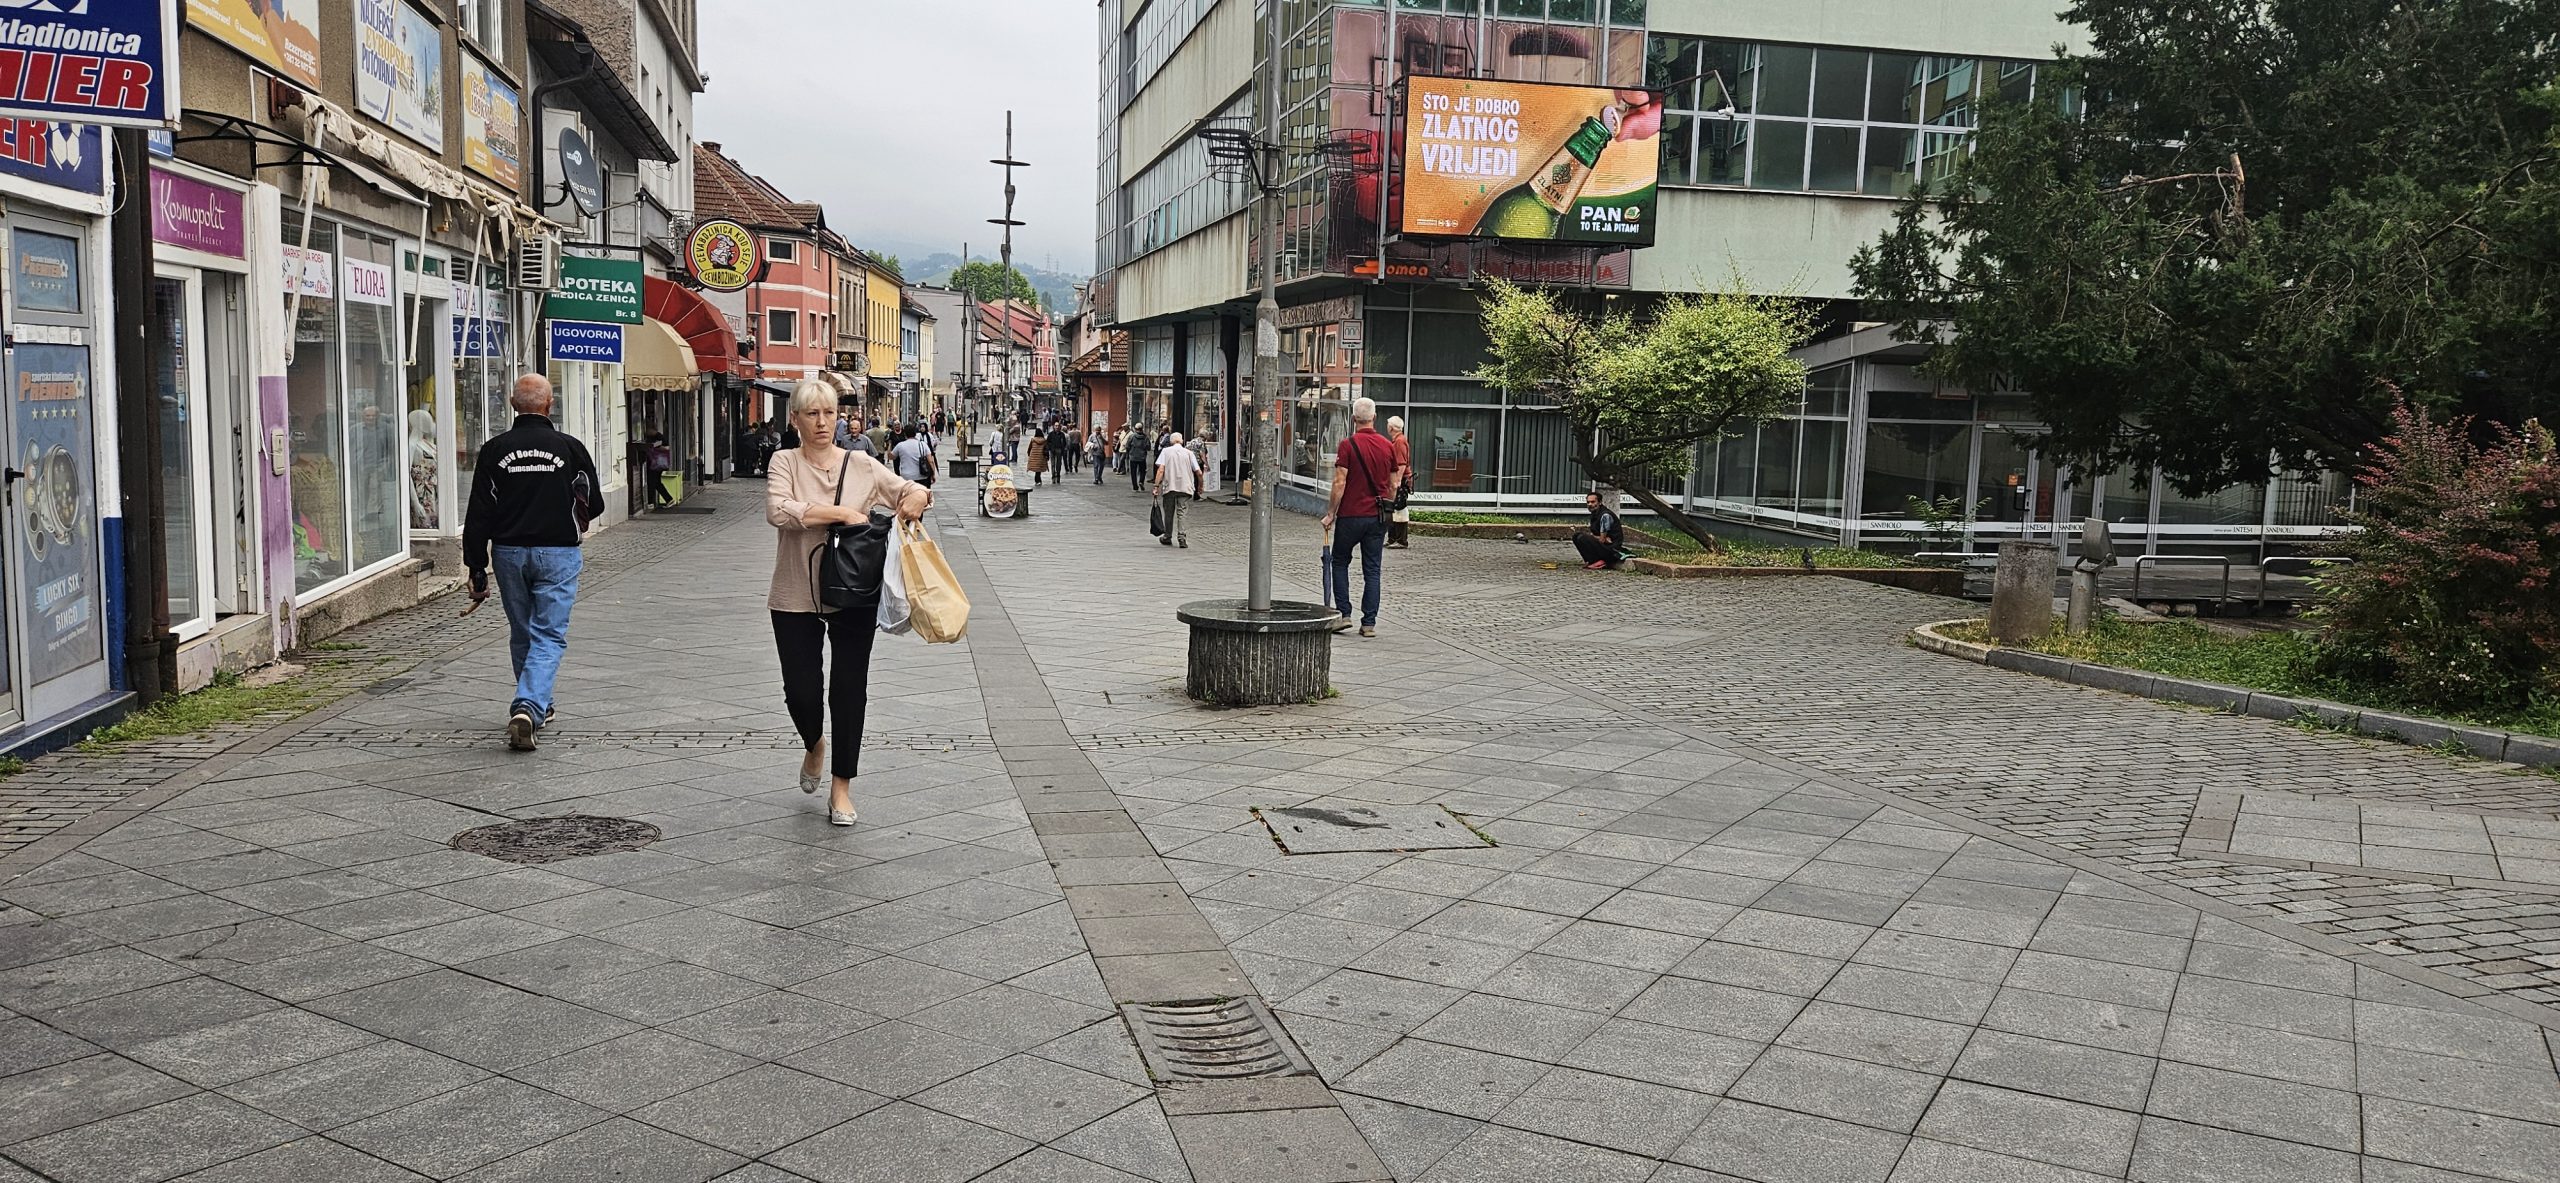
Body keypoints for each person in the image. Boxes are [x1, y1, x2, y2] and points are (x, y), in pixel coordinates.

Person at [766, 379, 931, 826]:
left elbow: (911, 490)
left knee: (848, 690)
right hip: (794, 592)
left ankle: (842, 786)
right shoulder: (784, 461)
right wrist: (841, 513)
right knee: (800, 692)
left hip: (854, 592)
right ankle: (815, 743)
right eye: (812, 414)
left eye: (829, 413)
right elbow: (778, 510)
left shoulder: (861, 464)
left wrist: (916, 499)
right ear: (796, 420)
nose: (822, 423)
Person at [465, 374, 605, 751]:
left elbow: (478, 513)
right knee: (549, 634)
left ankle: (539, 704)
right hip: (558, 552)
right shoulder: (569, 447)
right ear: (549, 405)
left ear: (513, 404)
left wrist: (477, 568)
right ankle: (528, 705)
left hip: (508, 553)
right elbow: (596, 502)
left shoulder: (494, 450)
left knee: (523, 630)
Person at [1321, 397, 1397, 637]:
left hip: (1351, 515)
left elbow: (1339, 482)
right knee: (1372, 569)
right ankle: (1369, 623)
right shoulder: (1388, 446)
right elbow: (1394, 485)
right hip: (1377, 517)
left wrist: (1331, 513)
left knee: (1340, 561)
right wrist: (1388, 507)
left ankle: (1344, 614)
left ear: (1354, 419)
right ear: (1375, 418)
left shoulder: (1348, 445)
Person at [1152, 429, 1200, 547]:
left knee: (1169, 512)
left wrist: (1156, 486)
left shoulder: (1165, 451)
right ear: (1182, 441)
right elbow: (1198, 472)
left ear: (1171, 441)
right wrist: (1201, 486)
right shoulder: (1189, 453)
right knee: (1182, 512)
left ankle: (1167, 536)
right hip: (1185, 486)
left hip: (1170, 486)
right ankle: (1182, 537)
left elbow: (1161, 470)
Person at [1574, 489, 1629, 569]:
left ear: (1599, 502)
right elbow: (1601, 538)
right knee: (1576, 536)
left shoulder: (1605, 516)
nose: (1590, 504)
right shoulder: (1595, 514)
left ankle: (1601, 561)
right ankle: (1591, 560)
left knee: (1582, 538)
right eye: (1588, 502)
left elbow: (1602, 540)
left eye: (1593, 502)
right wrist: (1596, 537)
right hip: (1605, 546)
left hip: (1612, 550)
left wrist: (1593, 537)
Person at [1384, 416, 1414, 548]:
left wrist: (1396, 482)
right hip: (1400, 478)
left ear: (1391, 427)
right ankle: (1393, 538)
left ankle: (1400, 540)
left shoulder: (1399, 442)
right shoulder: (1399, 440)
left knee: (1399, 508)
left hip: (1400, 479)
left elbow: (1401, 464)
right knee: (1395, 508)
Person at [891, 422, 936, 487]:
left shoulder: (900, 445)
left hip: (907, 477)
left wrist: (889, 445)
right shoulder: (923, 444)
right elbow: (930, 461)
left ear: (905, 434)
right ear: (915, 433)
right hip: (922, 476)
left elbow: (891, 457)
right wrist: (933, 474)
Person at [643, 432, 675, 507]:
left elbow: (667, 447)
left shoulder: (658, 436)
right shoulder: (649, 435)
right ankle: (668, 499)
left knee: (652, 482)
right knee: (656, 482)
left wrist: (656, 447)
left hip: (656, 463)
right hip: (654, 463)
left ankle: (651, 503)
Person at [1126, 423, 1152, 492]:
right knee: (1142, 471)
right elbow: (1148, 447)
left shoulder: (1132, 436)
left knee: (1133, 472)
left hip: (1133, 457)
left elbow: (1127, 446)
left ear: (1135, 428)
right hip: (1142, 457)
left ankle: (1135, 486)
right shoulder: (1145, 437)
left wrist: (1130, 451)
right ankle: (1141, 481)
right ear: (1142, 429)